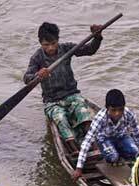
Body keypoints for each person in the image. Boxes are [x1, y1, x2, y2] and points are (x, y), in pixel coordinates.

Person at [23, 22, 103, 153]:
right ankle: (73, 149)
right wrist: (38, 74)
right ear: (40, 43)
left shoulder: (66, 48)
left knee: (83, 111)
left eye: (53, 43)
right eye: (46, 45)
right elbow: (27, 78)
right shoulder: (37, 57)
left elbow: (90, 50)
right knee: (60, 118)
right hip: (52, 101)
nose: (50, 48)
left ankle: (93, 145)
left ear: (58, 40)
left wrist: (97, 37)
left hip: (71, 94)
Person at [72, 89, 139, 180]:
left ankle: (119, 152)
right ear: (107, 108)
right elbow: (87, 141)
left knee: (134, 151)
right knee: (113, 157)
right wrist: (79, 168)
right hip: (105, 139)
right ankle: (112, 153)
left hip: (121, 137)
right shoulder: (100, 118)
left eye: (120, 109)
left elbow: (138, 135)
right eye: (113, 110)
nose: (117, 113)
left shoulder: (129, 114)